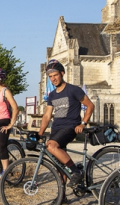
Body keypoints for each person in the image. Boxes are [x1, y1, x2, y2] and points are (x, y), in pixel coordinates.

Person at [38, 59, 94, 190]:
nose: (53, 79)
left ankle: (76, 171)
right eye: (50, 77)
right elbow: (47, 115)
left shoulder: (73, 90)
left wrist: (83, 124)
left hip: (70, 127)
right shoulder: (52, 95)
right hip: (56, 128)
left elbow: (90, 105)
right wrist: (40, 133)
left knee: (51, 146)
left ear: (62, 73)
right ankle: (62, 196)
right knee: (59, 164)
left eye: (55, 75)